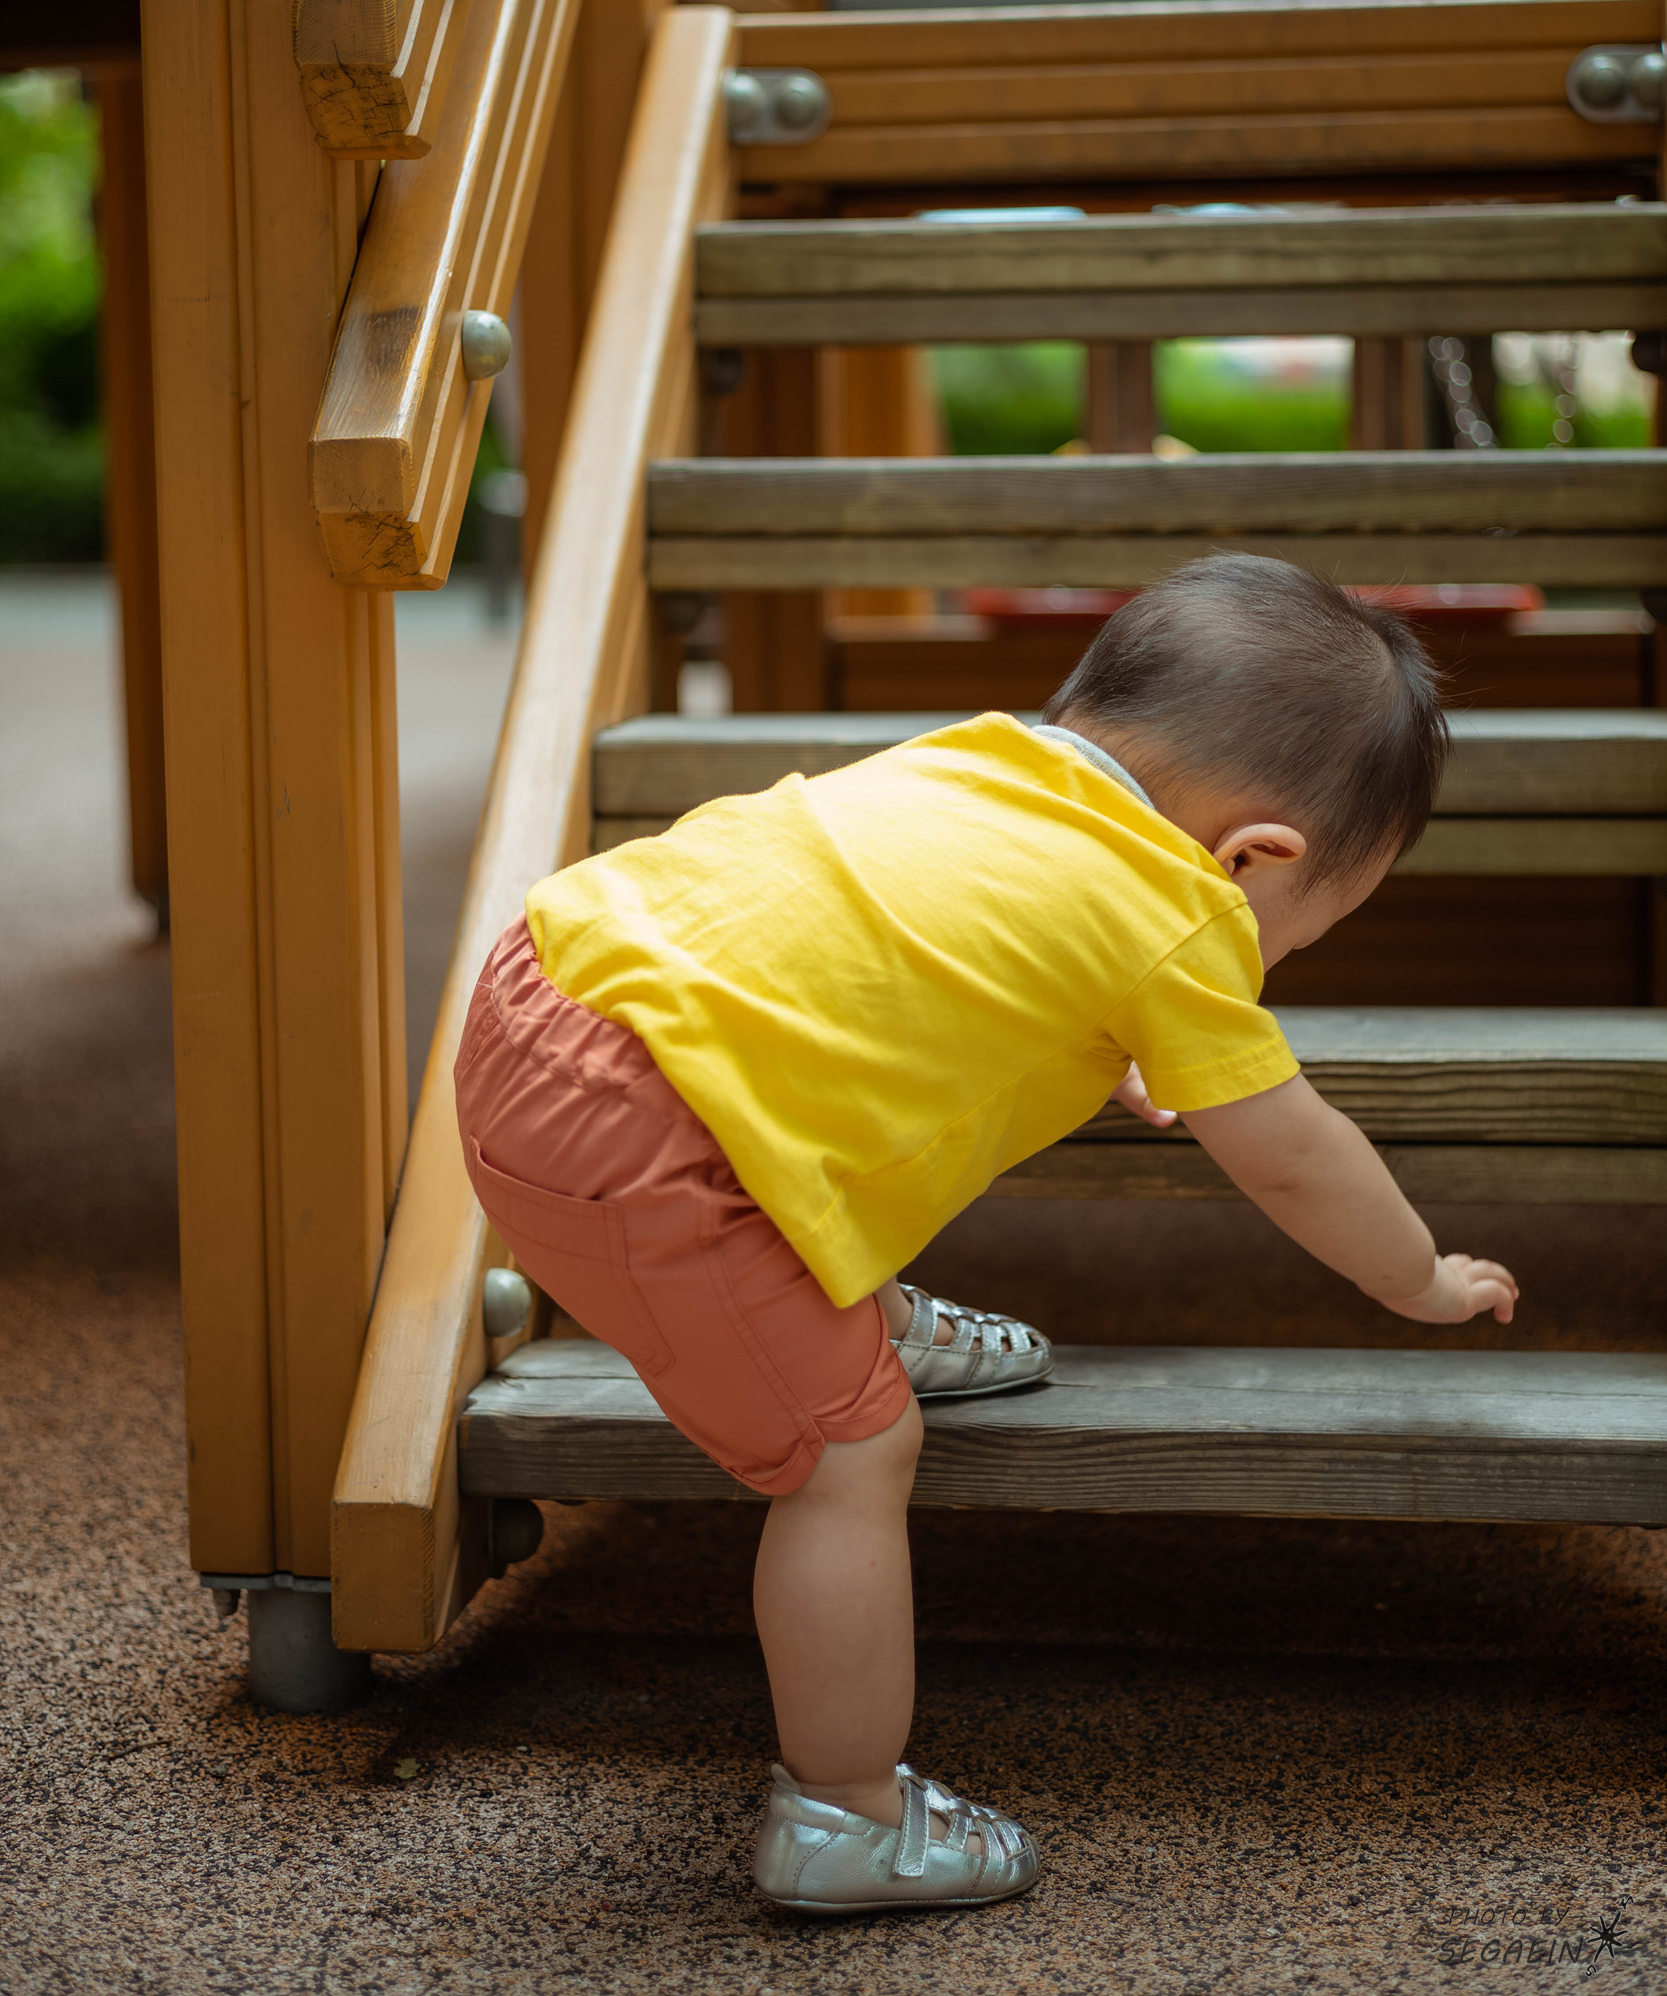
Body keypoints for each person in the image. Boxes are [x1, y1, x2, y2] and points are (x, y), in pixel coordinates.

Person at [454, 553, 1518, 1915]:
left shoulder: (991, 759)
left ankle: (865, 1312)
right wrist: (1417, 1275)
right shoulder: (1176, 912)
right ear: (1254, 859)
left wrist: (1127, 1021)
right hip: (649, 1137)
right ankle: (846, 1812)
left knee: (813, 1107)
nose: (1263, 967)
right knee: (851, 1456)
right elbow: (1298, 1158)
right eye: (1296, 940)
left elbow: (932, 946)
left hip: (541, 990)